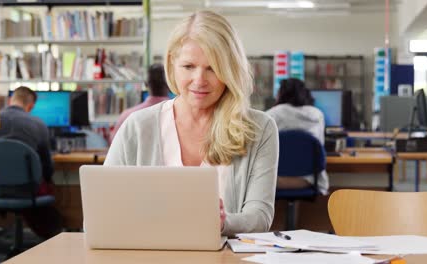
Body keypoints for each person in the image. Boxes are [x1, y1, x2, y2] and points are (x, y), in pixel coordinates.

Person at [106, 10, 279, 236]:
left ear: (229, 70)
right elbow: (103, 211)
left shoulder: (260, 129)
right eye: (188, 67)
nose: (199, 80)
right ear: (172, 64)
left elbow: (259, 217)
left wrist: (221, 223)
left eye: (213, 68)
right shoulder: (138, 127)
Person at [0, 86, 62, 239]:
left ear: (11, 100)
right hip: (28, 191)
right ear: (31, 106)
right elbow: (47, 168)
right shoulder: (38, 124)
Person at [266, 78, 329, 195]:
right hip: (310, 180)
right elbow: (320, 146)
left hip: (275, 180)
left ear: (280, 94)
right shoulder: (317, 114)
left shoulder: (271, 115)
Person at [109, 63, 170, 142]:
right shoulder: (180, 115)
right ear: (169, 84)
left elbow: (114, 145)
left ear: (146, 84)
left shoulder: (127, 116)